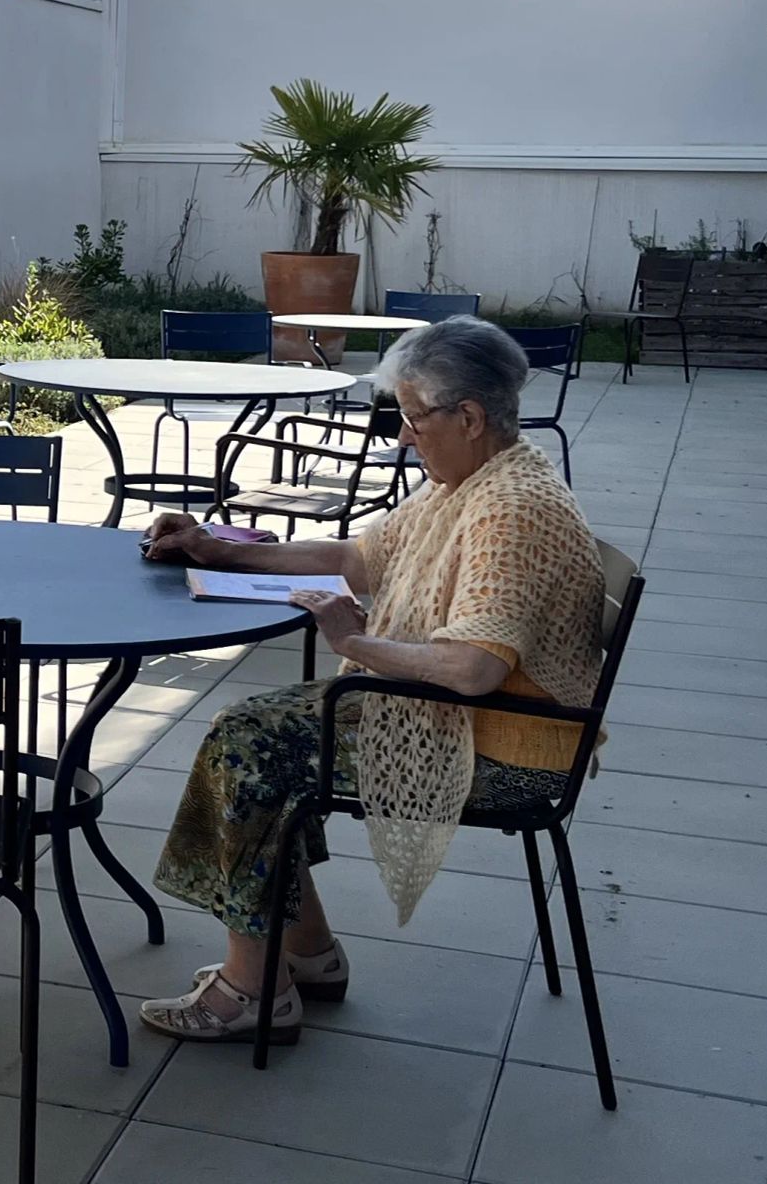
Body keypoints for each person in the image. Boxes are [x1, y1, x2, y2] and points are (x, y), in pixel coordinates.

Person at [132, 315, 607, 1044]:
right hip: (460, 714)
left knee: (250, 749)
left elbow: (475, 667)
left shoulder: (511, 509)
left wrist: (355, 641)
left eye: (413, 419)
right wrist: (218, 548)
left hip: (505, 751)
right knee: (254, 733)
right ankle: (309, 960)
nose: (402, 437)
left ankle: (255, 989)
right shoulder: (480, 477)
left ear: (470, 417)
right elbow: (359, 559)